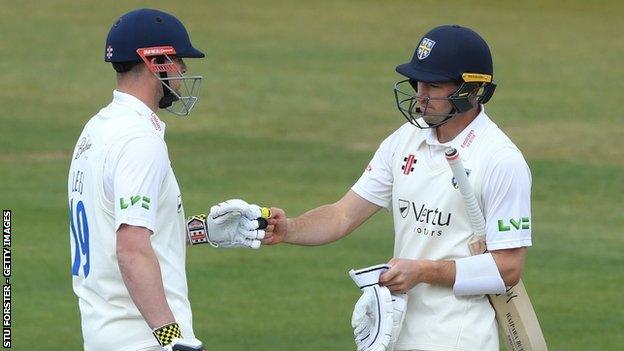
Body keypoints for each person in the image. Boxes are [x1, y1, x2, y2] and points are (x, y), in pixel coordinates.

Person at [263, 25, 532, 351]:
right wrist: (289, 228)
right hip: (398, 334)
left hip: (458, 337)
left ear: (471, 90)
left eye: (433, 85)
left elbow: (508, 268)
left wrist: (423, 271)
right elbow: (343, 215)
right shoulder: (404, 141)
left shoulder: (501, 160)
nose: (420, 95)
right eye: (418, 82)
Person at [67, 9, 267, 351]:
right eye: (178, 60)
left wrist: (205, 230)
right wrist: (172, 340)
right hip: (144, 341)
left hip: (104, 336)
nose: (184, 70)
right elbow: (131, 249)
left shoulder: (97, 129)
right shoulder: (138, 140)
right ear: (154, 60)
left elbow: (118, 230)